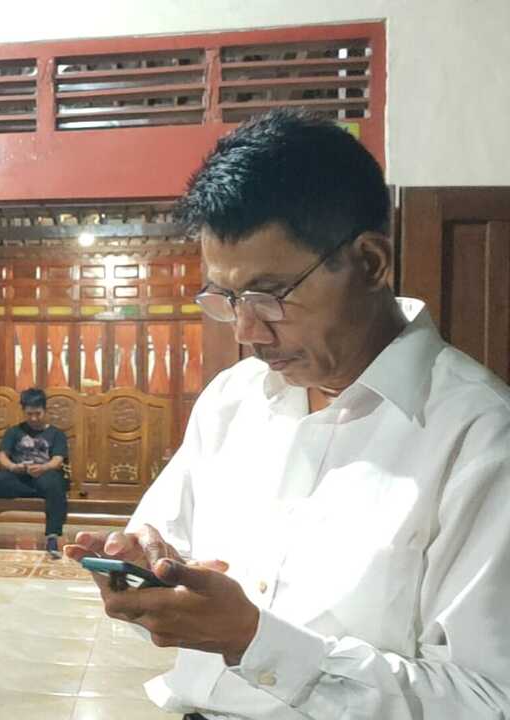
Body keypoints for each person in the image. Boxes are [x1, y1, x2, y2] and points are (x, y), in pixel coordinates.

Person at [65, 109, 510, 719]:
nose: (247, 330)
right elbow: (168, 545)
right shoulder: (234, 399)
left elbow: (489, 699)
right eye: (227, 298)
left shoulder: (478, 437)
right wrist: (146, 569)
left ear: (371, 262)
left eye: (270, 295)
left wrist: (254, 641)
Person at [0, 388, 68, 558]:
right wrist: (13, 467)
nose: (34, 418)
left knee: (54, 484)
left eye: (38, 414)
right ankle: (41, 493)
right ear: (23, 411)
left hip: (45, 475)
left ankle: (52, 536)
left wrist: (43, 468)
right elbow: (3, 456)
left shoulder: (56, 434)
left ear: (45, 410)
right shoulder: (14, 432)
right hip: (20, 477)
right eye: (29, 414)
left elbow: (57, 460)